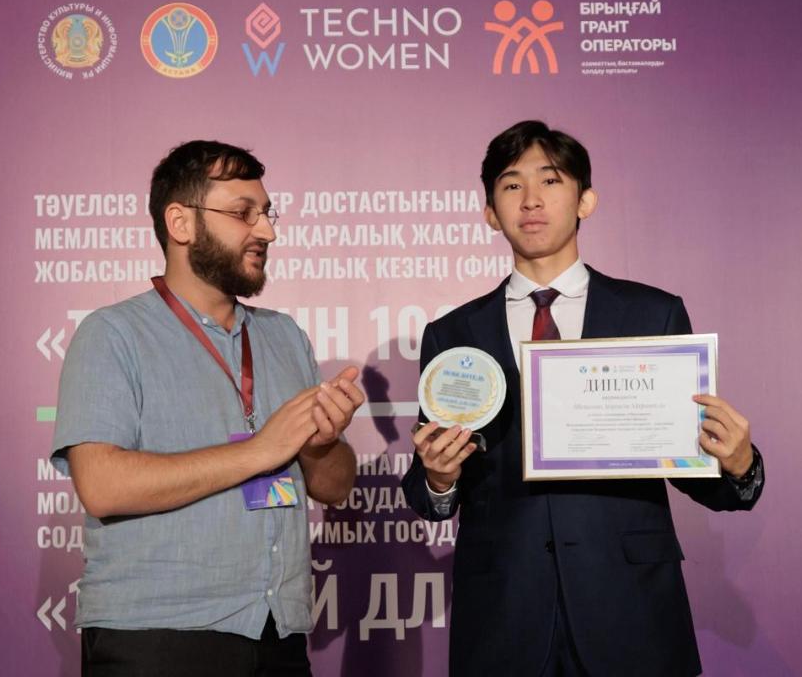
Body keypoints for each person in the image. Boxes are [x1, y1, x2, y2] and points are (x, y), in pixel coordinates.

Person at [401, 120, 764, 677]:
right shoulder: (453, 335)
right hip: (504, 613)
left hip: (629, 607)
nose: (531, 199)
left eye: (550, 180)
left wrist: (737, 463)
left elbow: (690, 468)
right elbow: (429, 493)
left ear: (585, 201)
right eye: (512, 185)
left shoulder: (652, 314)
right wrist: (439, 478)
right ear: (490, 212)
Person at [51, 140, 363, 677]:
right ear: (181, 223)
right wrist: (262, 449)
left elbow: (335, 487)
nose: (266, 231)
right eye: (243, 213)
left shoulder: (284, 336)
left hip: (277, 632)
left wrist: (321, 443)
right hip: (158, 639)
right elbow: (102, 484)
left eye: (266, 213)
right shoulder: (113, 334)